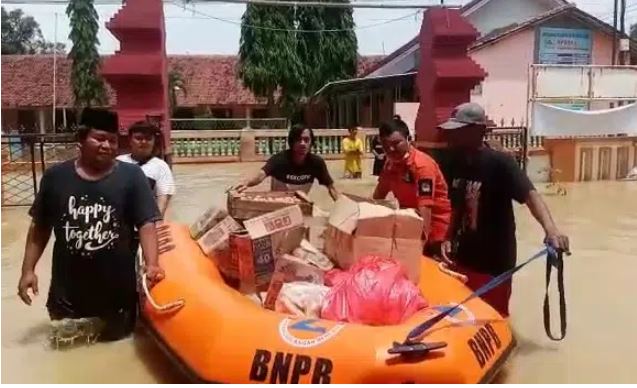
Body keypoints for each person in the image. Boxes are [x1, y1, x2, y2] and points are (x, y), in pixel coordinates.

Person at [17, 108, 164, 341]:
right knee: (65, 364)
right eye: (99, 139)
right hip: (67, 298)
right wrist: (28, 270)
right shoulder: (56, 177)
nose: (107, 145)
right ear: (81, 140)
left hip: (117, 298)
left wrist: (152, 263)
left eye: (113, 140)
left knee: (115, 359)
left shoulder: (132, 176)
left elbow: (146, 223)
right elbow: (40, 227)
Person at [437, 102, 570, 318]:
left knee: (493, 319)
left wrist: (551, 230)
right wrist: (448, 236)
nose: (452, 137)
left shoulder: (501, 163)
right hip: (465, 255)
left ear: (478, 131)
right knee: (464, 315)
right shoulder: (456, 162)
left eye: (458, 131)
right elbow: (457, 204)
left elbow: (531, 196)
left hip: (495, 261)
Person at [373, 119, 451, 248]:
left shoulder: (422, 166)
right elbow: (378, 196)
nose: (391, 149)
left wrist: (421, 242)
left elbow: (425, 207)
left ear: (409, 139)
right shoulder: (389, 165)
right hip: (410, 225)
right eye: (385, 145)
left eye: (396, 143)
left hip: (434, 232)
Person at [232, 124, 339, 201]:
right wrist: (246, 183)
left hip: (301, 205)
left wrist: (343, 207)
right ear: (292, 142)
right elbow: (261, 175)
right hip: (277, 206)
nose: (302, 144)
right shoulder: (279, 160)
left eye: (306, 140)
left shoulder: (317, 163)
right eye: (299, 139)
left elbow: (331, 187)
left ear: (311, 142)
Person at [117, 121, 175, 217]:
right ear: (130, 140)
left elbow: (163, 197)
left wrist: (156, 221)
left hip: (145, 220)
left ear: (153, 141)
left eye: (148, 139)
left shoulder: (161, 166)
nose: (143, 142)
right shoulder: (118, 162)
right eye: (138, 138)